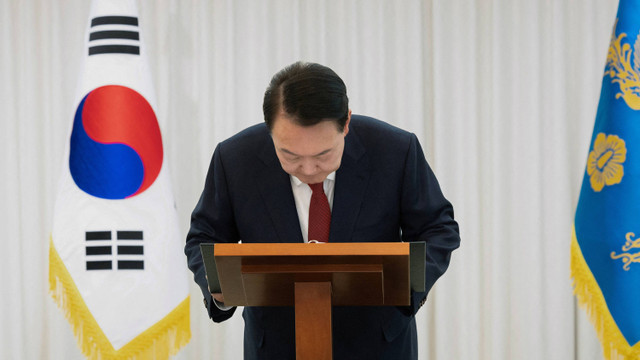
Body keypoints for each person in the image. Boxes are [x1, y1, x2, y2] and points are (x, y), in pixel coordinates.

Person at [185, 61, 460, 360]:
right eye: (289, 155)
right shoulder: (235, 159)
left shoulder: (395, 150)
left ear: (346, 124)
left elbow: (438, 228)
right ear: (270, 131)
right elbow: (204, 236)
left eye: (323, 155)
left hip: (379, 344)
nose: (308, 169)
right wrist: (219, 289)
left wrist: (407, 285)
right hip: (277, 347)